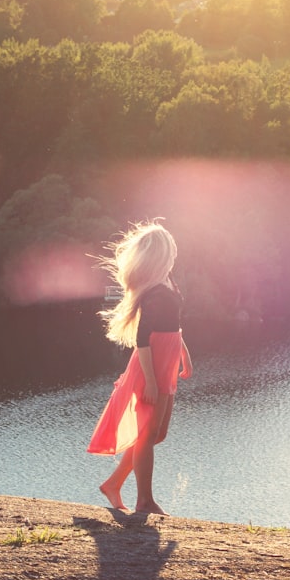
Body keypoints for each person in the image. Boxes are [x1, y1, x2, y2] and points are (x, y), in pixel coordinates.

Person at [88, 220, 193, 515]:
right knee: (148, 435)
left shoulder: (167, 283)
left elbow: (173, 326)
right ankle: (144, 502)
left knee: (158, 434)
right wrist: (149, 381)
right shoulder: (155, 293)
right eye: (171, 250)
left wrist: (184, 354)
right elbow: (143, 338)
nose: (174, 253)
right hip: (152, 366)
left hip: (167, 362)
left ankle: (113, 483)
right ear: (162, 254)